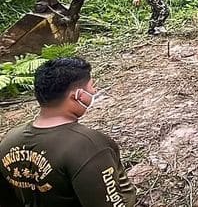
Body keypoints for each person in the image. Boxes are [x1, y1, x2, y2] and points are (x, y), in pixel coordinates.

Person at [0, 58, 135, 206]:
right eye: (91, 86)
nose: (94, 91)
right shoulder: (89, 145)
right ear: (77, 95)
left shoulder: (9, 140)